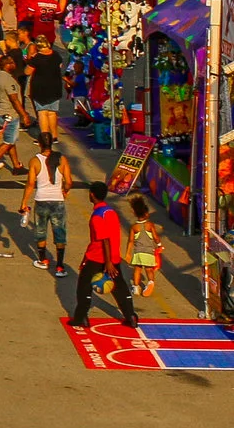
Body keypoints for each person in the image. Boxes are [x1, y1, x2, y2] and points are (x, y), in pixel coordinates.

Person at [71, 186, 138, 329]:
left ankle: (81, 317)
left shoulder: (97, 216)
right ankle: (131, 315)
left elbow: (104, 239)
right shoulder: (111, 212)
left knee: (84, 286)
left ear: (92, 195)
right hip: (114, 255)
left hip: (97, 256)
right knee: (120, 287)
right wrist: (111, 260)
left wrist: (107, 263)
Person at [25, 137, 72, 276]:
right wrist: (65, 190)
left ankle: (43, 260)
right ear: (51, 143)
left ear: (39, 144)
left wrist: (24, 202)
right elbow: (69, 181)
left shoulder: (34, 161)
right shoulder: (62, 159)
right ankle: (59, 266)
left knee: (41, 231)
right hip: (57, 200)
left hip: (41, 200)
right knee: (59, 232)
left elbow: (30, 184)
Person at [129, 194, 165, 298]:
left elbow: (131, 241)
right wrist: (159, 245)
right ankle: (150, 283)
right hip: (149, 252)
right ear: (146, 214)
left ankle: (136, 287)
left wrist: (128, 253)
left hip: (139, 252)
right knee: (149, 269)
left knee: (137, 269)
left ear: (135, 213)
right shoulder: (149, 225)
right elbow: (155, 237)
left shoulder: (134, 227)